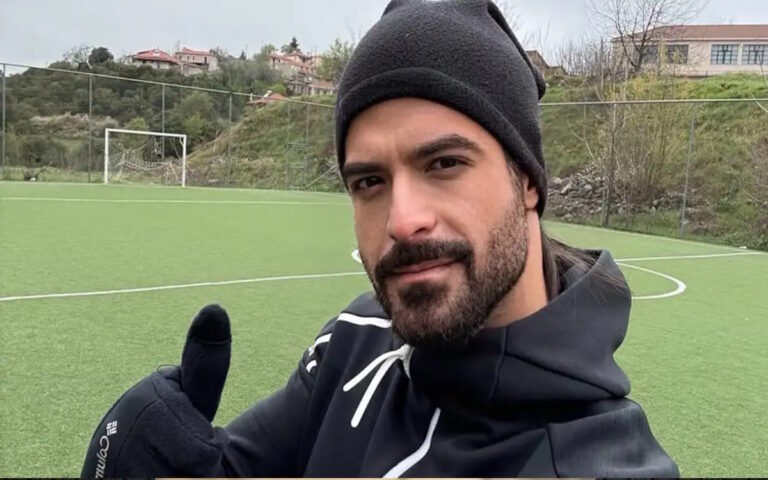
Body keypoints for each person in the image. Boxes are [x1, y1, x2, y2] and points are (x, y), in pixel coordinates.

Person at [81, 0, 679, 477]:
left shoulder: (591, 461)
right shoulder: (358, 335)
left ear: (526, 180)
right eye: (369, 181)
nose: (402, 220)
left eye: (444, 163)